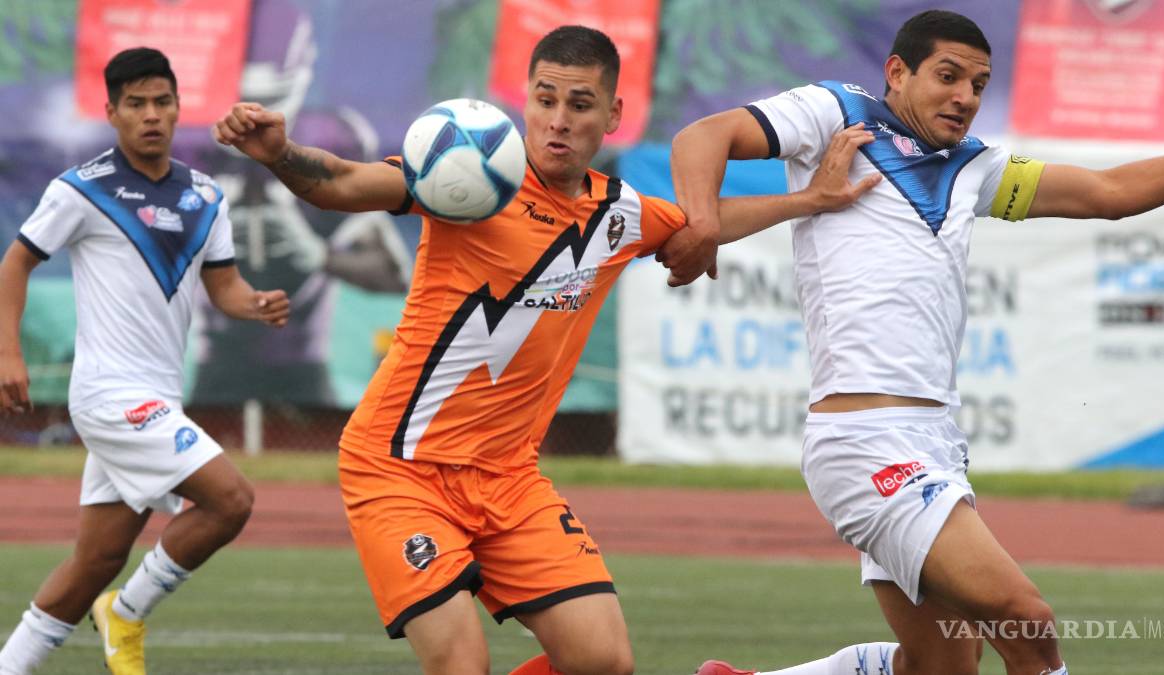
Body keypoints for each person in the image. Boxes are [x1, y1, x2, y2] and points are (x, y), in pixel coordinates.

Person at [213, 25, 878, 675]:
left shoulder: (620, 215)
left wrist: (809, 199)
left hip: (508, 479)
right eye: (545, 99)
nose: (559, 120)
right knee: (461, 663)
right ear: (525, 101)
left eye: (580, 104)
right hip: (401, 467)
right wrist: (280, 153)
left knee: (602, 659)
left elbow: (702, 225)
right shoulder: (468, 179)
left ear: (613, 115)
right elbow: (342, 183)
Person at [668, 9, 1164, 675]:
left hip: (935, 445)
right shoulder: (835, 112)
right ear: (897, 71)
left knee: (942, 662)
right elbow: (703, 136)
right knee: (1028, 624)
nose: (965, 97)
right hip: (866, 444)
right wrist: (702, 225)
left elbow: (1109, 192)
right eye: (948, 76)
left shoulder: (976, 166)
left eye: (978, 85)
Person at [0, 48, 290, 675]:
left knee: (95, 561)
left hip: (159, 399)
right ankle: (127, 611)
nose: (151, 115)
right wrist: (7, 352)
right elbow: (16, 262)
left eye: (162, 102)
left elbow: (225, 288)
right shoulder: (81, 189)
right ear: (112, 112)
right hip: (110, 396)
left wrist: (257, 304)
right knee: (231, 500)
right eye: (135, 104)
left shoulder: (205, 195)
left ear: (179, 107)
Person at [189, 0, 413, 408]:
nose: (252, 116)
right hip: (214, 360)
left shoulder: (330, 139)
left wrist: (317, 253)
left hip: (302, 359)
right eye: (242, 100)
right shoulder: (191, 148)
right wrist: (198, 240)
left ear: (301, 76)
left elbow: (395, 273)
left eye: (269, 98)